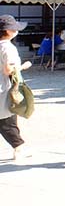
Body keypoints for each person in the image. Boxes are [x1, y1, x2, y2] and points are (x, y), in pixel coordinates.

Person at [0, 14, 30, 160]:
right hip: (3, 87)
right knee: (7, 120)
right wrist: (22, 66)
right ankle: (18, 147)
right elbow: (8, 69)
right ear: (7, 31)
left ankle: (19, 147)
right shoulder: (8, 48)